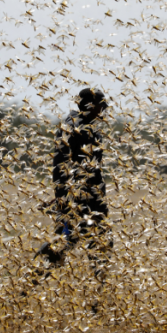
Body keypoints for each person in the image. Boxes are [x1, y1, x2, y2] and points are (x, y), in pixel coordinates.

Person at [35, 88, 110, 277]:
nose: (105, 109)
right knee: (97, 243)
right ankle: (99, 295)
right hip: (80, 198)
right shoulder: (75, 128)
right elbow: (60, 164)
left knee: (73, 241)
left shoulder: (87, 126)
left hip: (89, 197)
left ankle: (28, 285)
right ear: (90, 106)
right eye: (101, 105)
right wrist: (62, 197)